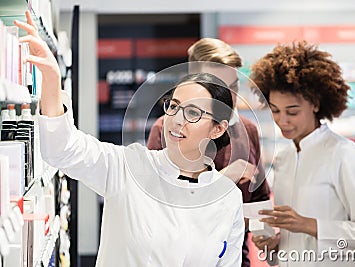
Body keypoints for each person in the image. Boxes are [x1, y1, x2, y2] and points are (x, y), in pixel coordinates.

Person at [15, 12, 245, 267]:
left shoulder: (227, 197)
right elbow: (63, 149)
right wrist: (50, 80)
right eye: (173, 106)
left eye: (192, 113)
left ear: (217, 129)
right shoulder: (129, 167)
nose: (176, 120)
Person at [250, 41, 355, 266]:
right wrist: (274, 246)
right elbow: (292, 241)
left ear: (315, 104)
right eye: (275, 111)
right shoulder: (284, 158)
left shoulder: (343, 154)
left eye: (292, 111)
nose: (282, 120)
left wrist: (308, 225)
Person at [147, 38, 271, 266]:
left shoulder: (248, 130)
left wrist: (265, 235)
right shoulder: (166, 130)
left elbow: (261, 198)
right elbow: (157, 207)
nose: (230, 98)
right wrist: (225, 180)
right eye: (218, 89)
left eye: (234, 87)